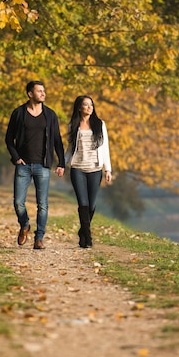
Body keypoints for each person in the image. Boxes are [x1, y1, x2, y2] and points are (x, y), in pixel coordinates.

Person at [5, 80, 65, 250]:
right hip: (23, 165)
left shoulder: (50, 115)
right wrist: (16, 157)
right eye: (39, 91)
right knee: (18, 202)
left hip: (43, 165)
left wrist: (61, 162)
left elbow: (57, 141)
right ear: (30, 94)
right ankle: (24, 225)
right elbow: (9, 139)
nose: (43, 94)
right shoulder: (18, 113)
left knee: (43, 204)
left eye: (43, 91)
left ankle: (39, 238)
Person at [65, 95, 112, 248]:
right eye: (86, 105)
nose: (89, 107)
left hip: (95, 168)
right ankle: (88, 238)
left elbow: (105, 148)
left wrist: (108, 169)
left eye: (91, 105)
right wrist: (62, 164)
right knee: (83, 203)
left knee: (91, 205)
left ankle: (82, 232)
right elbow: (70, 148)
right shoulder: (73, 125)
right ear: (79, 107)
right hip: (77, 168)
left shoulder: (100, 124)